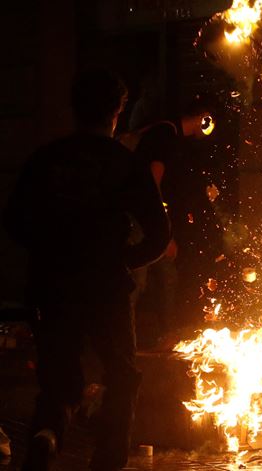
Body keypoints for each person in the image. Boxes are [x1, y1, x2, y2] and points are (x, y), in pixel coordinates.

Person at [3, 67, 170, 470]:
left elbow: (12, 220)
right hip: (105, 287)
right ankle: (107, 463)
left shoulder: (47, 159)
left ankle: (47, 436)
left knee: (59, 381)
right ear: (118, 110)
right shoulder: (122, 163)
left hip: (51, 284)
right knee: (122, 377)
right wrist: (123, 262)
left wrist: (49, 251)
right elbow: (159, 235)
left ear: (74, 109)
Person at [124, 97, 222, 335]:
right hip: (141, 216)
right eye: (209, 124)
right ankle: (123, 342)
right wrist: (163, 229)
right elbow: (153, 179)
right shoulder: (166, 135)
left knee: (166, 275)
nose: (209, 130)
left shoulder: (166, 132)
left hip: (144, 214)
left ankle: (167, 334)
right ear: (203, 118)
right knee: (138, 281)